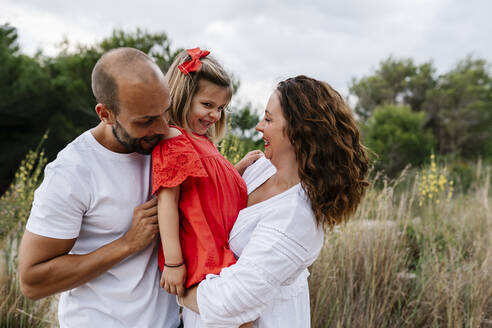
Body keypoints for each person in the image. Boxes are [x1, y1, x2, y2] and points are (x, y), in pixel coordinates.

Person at [179, 75, 370, 327]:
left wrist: (179, 286)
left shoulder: (296, 216)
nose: (259, 126)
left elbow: (232, 301)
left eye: (268, 119)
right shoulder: (260, 168)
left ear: (299, 131)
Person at [18, 47, 180, 327]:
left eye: (165, 112)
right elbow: (33, 281)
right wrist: (127, 244)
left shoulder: (164, 142)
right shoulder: (71, 173)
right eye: (145, 121)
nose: (164, 128)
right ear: (105, 114)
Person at [152, 47, 262, 298]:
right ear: (182, 97)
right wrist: (173, 262)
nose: (215, 115)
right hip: (201, 248)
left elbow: (206, 187)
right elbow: (167, 201)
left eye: (221, 108)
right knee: (237, 315)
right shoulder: (175, 139)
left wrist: (237, 169)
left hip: (218, 244)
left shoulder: (202, 140)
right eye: (207, 105)